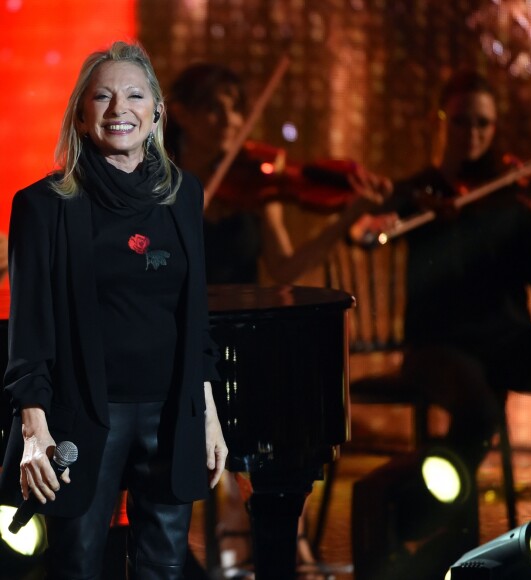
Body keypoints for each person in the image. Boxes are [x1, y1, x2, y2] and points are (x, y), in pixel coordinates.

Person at [0, 41, 227, 580]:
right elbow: (28, 333)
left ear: (155, 113)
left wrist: (210, 414)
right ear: (81, 115)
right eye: (101, 97)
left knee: (163, 568)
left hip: (171, 416)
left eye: (133, 95)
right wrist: (35, 429)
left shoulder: (183, 194)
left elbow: (194, 319)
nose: (117, 108)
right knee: (76, 566)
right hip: (82, 417)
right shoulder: (43, 206)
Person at [166, 62, 393, 577]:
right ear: (179, 113)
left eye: (234, 107)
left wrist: (346, 217)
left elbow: (287, 267)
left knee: (277, 420)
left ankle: (274, 536)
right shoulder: (161, 183)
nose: (229, 118)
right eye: (213, 106)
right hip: (178, 341)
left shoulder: (255, 184)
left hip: (240, 345)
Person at [387, 69, 531, 472]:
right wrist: (397, 213)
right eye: (460, 121)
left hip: (507, 343)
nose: (472, 133)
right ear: (440, 120)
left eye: (483, 123)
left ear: (494, 128)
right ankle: (424, 508)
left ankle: (434, 510)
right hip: (437, 347)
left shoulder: (509, 198)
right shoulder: (416, 194)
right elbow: (367, 229)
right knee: (480, 413)